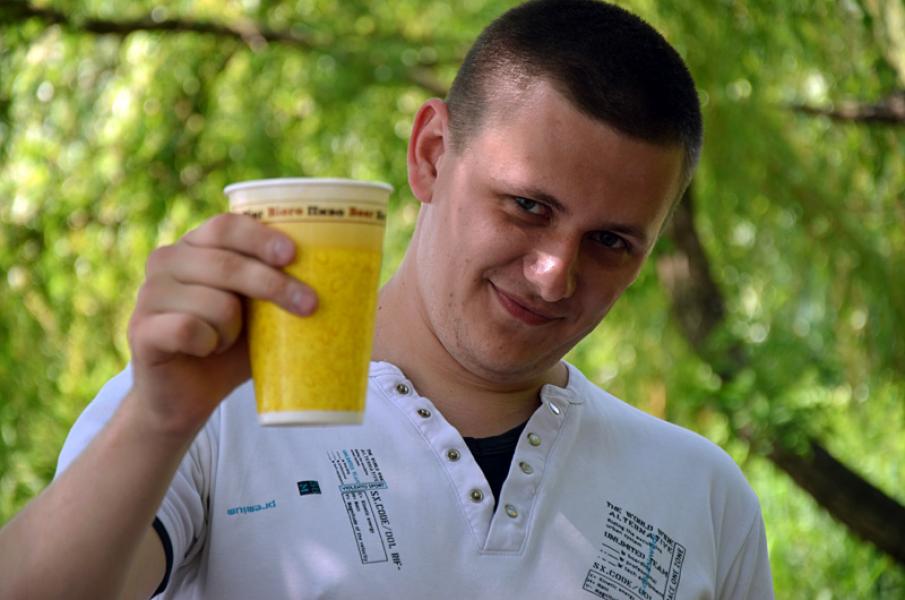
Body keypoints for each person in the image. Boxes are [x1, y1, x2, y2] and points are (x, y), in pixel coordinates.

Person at [0, 1, 774, 598]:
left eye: (609, 241)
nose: (552, 274)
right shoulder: (207, 415)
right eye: (526, 207)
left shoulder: (703, 496)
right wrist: (158, 419)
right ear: (431, 154)